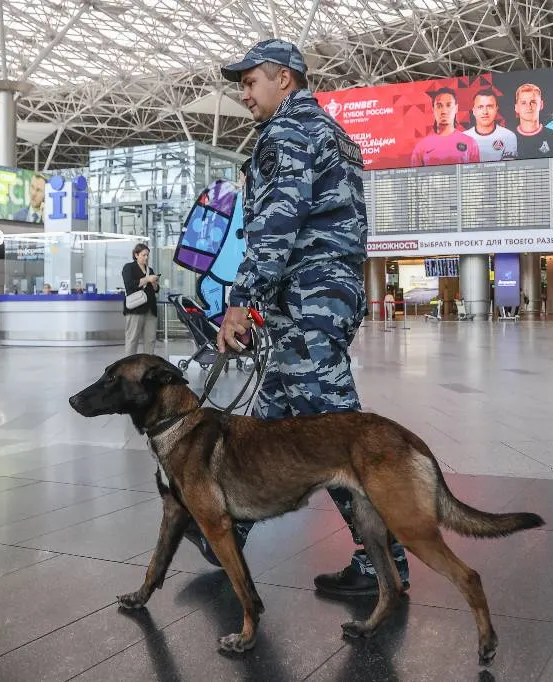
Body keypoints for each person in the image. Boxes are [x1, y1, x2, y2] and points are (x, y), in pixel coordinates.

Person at [188, 39, 410, 597]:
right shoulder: (328, 131)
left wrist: (240, 302)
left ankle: (385, 560)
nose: (244, 93)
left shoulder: (288, 132)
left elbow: (276, 227)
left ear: (284, 78)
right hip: (316, 298)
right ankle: (230, 527)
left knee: (334, 439)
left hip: (310, 302)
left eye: (250, 82)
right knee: (265, 431)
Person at [410, 86, 480, 167]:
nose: (444, 111)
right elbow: (415, 177)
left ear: (456, 108)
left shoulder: (470, 143)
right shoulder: (421, 147)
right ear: (433, 109)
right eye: (439, 106)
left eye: (448, 105)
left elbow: (476, 174)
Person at [512, 83, 553, 159]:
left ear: (541, 105)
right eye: (523, 103)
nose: (529, 106)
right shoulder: (507, 138)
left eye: (533, 102)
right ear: (516, 107)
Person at [121, 243, 159, 355]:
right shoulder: (129, 267)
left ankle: (148, 365)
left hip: (150, 310)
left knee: (150, 339)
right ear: (136, 255)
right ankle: (129, 365)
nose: (146, 258)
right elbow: (130, 285)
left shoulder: (150, 270)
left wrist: (154, 284)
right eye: (143, 255)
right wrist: (147, 279)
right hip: (135, 309)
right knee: (132, 339)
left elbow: (156, 290)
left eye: (147, 255)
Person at [465, 89, 518, 161]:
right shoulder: (463, 138)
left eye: (489, 106)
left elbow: (508, 168)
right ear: (474, 111)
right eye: (480, 107)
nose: (485, 112)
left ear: (496, 109)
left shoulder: (508, 136)